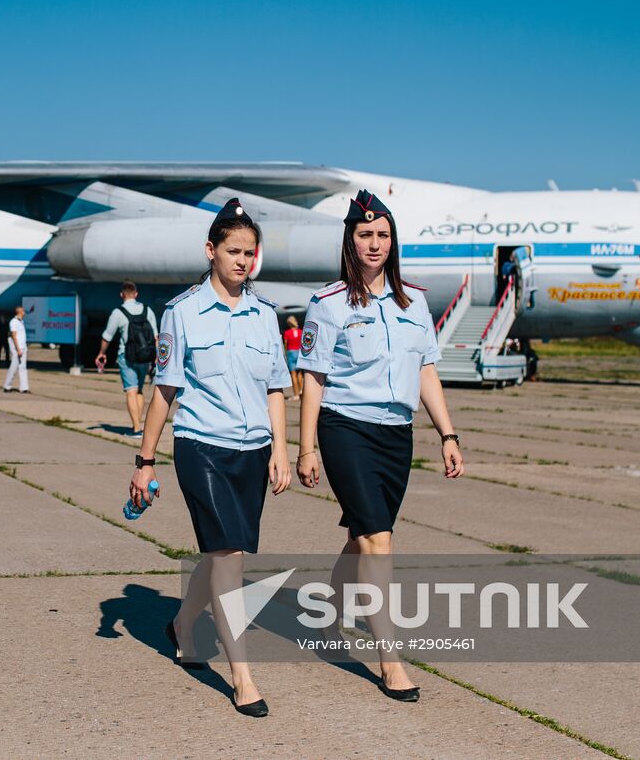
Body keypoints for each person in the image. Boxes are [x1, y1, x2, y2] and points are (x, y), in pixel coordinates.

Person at [295, 189, 465, 703]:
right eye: (365, 235)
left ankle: (325, 617)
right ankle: (391, 662)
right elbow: (313, 378)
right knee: (379, 540)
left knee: (362, 537)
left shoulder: (414, 302)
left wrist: (448, 433)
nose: (375, 244)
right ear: (350, 240)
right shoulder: (328, 305)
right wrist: (307, 447)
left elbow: (427, 369)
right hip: (345, 429)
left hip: (396, 435)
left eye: (383, 235)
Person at [132, 199, 292, 718]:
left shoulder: (266, 316)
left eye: (250, 252)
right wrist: (145, 460)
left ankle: (182, 625)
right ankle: (242, 675)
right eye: (233, 251)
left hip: (253, 450)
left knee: (224, 551)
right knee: (228, 556)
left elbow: (275, 389)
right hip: (201, 446)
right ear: (211, 251)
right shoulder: (181, 312)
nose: (244, 260)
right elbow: (165, 389)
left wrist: (282, 451)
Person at [94, 281, 159, 435]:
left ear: (122, 295)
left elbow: (107, 336)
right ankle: (140, 425)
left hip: (126, 356)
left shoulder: (118, 312)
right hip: (145, 356)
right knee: (140, 390)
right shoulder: (147, 310)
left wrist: (102, 353)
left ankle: (136, 428)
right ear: (136, 294)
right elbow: (156, 336)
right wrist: (156, 356)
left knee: (131, 390)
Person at [2, 306, 29, 393]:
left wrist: (24, 347)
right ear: (20, 312)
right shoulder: (13, 322)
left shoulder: (21, 321)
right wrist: (18, 349)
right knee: (14, 366)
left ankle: (24, 388)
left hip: (23, 346)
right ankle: (7, 386)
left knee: (23, 367)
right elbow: (14, 336)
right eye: (23, 311)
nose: (24, 312)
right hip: (17, 347)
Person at [282, 315, 304, 400]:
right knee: (300, 374)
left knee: (293, 374)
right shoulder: (301, 331)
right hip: (299, 352)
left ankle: (296, 394)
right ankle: (301, 390)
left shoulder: (287, 333)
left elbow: (286, 344)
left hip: (291, 353)